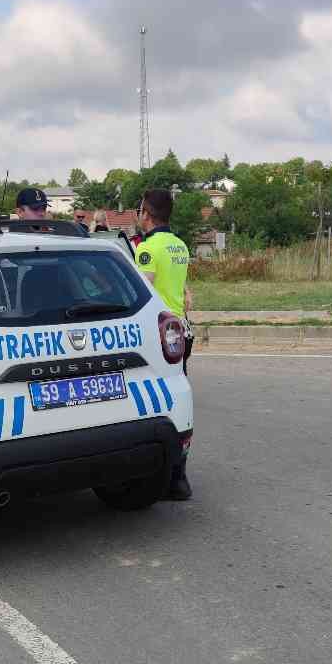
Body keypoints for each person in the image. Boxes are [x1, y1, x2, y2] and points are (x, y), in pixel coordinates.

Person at [136, 189, 194, 501]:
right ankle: (179, 476)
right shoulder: (179, 245)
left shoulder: (148, 247)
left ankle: (167, 475)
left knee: (158, 402)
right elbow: (183, 289)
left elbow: (141, 290)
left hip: (158, 334)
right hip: (180, 331)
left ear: (146, 213)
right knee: (178, 394)